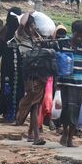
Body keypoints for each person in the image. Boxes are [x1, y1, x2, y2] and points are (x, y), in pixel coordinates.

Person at [56, 19, 82, 147]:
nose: (80, 37)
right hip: (65, 82)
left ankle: (70, 138)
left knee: (75, 109)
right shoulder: (63, 43)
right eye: (78, 34)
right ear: (73, 32)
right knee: (66, 108)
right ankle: (65, 133)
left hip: (78, 83)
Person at [15, 14, 52, 146]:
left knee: (35, 104)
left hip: (40, 72)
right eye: (31, 26)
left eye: (34, 25)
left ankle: (32, 133)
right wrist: (28, 13)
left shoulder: (36, 37)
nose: (33, 28)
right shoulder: (20, 36)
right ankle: (36, 136)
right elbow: (21, 24)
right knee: (34, 104)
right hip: (29, 73)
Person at [0, 8, 25, 123]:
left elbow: (0, 49)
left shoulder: (5, 30)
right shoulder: (20, 31)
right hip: (17, 64)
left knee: (9, 86)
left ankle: (10, 111)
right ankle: (14, 111)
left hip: (8, 64)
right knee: (15, 86)